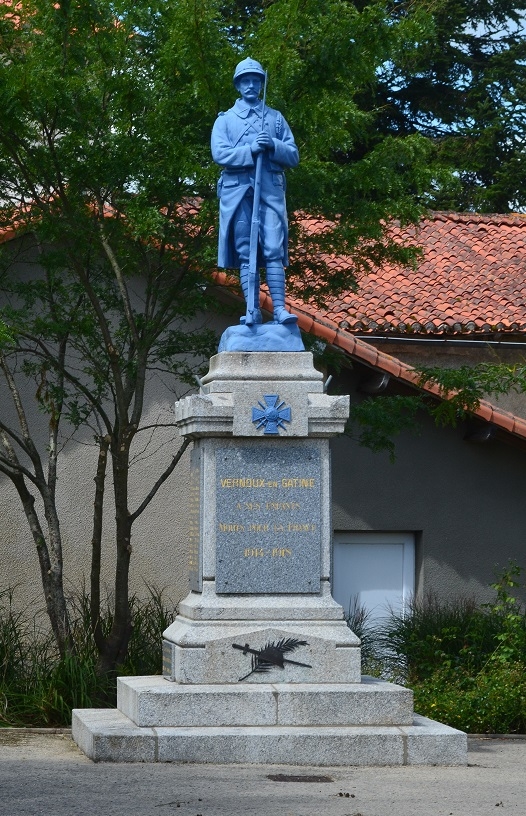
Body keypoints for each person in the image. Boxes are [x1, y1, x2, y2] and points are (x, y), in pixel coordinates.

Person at [211, 57, 299, 325]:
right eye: (245, 80)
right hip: (238, 193)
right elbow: (220, 153)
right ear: (238, 85)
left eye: (255, 80)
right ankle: (251, 309)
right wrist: (250, 150)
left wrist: (272, 144)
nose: (250, 85)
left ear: (261, 84)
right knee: (245, 250)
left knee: (273, 247)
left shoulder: (275, 119)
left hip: (269, 192)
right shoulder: (225, 120)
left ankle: (280, 309)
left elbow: (293, 155)